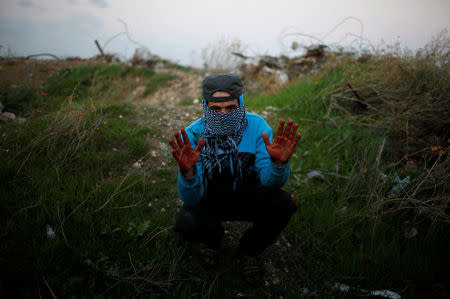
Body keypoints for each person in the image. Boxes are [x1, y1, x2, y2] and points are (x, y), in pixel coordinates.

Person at [168, 74, 301, 286]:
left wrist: (278, 165)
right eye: (215, 109)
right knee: (186, 221)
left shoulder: (257, 127)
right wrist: (188, 173)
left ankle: (250, 250)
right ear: (205, 106)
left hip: (249, 196)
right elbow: (191, 198)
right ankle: (212, 240)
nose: (223, 114)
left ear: (240, 103)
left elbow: (271, 183)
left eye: (230, 108)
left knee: (284, 204)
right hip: (209, 199)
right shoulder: (193, 134)